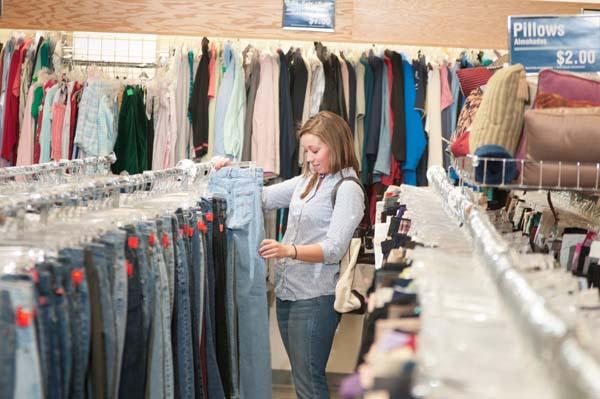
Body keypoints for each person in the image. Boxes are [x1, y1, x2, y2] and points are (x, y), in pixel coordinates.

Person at [216, 111, 365, 398]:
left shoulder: (348, 189)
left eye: (315, 150)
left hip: (315, 299)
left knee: (309, 384)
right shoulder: (309, 180)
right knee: (303, 381)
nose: (310, 158)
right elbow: (263, 197)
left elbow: (333, 249)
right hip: (289, 293)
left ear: (336, 145)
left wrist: (289, 250)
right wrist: (231, 173)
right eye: (307, 151)